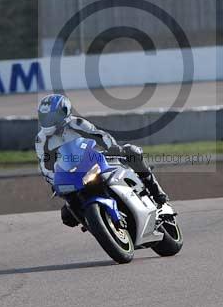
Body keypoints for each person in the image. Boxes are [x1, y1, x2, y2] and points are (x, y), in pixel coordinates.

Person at [34, 93, 169, 228]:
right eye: (45, 117)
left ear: (65, 112)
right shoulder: (41, 139)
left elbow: (100, 135)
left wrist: (113, 148)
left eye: (53, 116)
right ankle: (95, 224)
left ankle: (158, 193)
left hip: (93, 160)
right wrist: (55, 179)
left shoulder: (77, 123)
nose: (49, 120)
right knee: (67, 216)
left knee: (131, 152)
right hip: (71, 175)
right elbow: (44, 165)